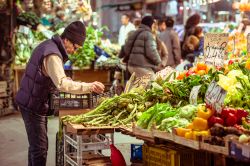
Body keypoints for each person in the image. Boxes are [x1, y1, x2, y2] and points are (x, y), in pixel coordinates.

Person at [15, 21, 105, 166]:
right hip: (32, 104)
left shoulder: (49, 46)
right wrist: (89, 86)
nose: (74, 51)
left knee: (36, 147)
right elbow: (62, 84)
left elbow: (49, 76)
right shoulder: (53, 55)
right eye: (75, 47)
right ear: (66, 40)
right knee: (40, 149)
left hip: (33, 100)